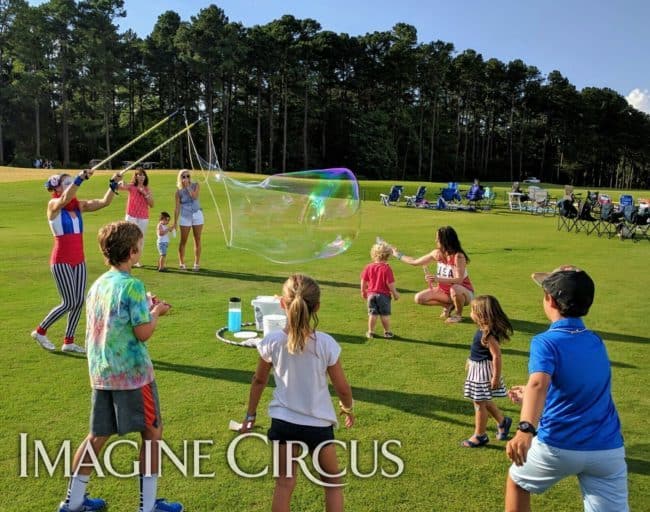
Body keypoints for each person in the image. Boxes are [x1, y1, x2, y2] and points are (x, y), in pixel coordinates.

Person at [57, 221, 182, 512]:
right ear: (132, 251)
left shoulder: (99, 283)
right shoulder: (133, 286)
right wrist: (156, 312)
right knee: (152, 433)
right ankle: (147, 506)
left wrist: (143, 307)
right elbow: (143, 332)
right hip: (133, 376)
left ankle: (73, 501)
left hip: (102, 372)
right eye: (140, 244)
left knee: (97, 434)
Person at [505, 266, 628, 512]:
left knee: (517, 483)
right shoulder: (596, 341)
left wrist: (525, 429)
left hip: (559, 445)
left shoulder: (545, 341)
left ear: (549, 300)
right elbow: (578, 387)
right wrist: (532, 396)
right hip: (608, 450)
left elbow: (538, 383)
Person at [240, 274, 355, 512]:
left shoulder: (272, 341)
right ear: (318, 307)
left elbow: (259, 380)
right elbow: (342, 387)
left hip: (284, 423)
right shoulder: (325, 343)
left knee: (284, 484)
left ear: (282, 303)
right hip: (319, 425)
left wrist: (250, 416)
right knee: (332, 483)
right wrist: (348, 408)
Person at [31, 170, 118, 353]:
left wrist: (113, 185)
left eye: (71, 181)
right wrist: (79, 179)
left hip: (79, 259)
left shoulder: (78, 206)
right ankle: (40, 331)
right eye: (66, 182)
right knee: (69, 302)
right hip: (61, 260)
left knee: (78, 301)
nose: (71, 185)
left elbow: (104, 202)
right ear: (56, 187)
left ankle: (68, 341)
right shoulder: (54, 204)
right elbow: (63, 199)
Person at [392, 226, 474, 323]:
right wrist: (397, 254)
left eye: (438, 238)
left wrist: (438, 279)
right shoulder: (437, 253)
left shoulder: (458, 256)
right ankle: (448, 305)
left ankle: (458, 315)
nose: (435, 240)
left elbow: (459, 280)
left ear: (445, 241)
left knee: (455, 288)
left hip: (464, 292)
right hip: (444, 292)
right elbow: (414, 261)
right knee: (419, 298)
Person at [461, 295, 513, 448]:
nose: (470, 313)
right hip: (477, 368)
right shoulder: (482, 330)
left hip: (484, 371)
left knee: (479, 403)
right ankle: (503, 422)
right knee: (482, 399)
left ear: (482, 314)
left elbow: (496, 356)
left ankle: (480, 435)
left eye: (472, 310)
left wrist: (495, 377)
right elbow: (478, 350)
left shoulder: (488, 335)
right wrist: (470, 360)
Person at [360, 241, 400, 338]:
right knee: (384, 315)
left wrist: (363, 291)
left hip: (371, 295)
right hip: (383, 296)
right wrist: (395, 293)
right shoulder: (386, 269)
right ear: (387, 256)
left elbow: (363, 280)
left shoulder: (368, 267)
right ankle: (387, 332)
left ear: (373, 254)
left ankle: (370, 332)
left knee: (372, 314)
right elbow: (390, 283)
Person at [117, 167, 154, 267]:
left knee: (140, 239)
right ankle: (127, 259)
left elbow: (152, 204)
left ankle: (136, 260)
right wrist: (120, 180)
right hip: (131, 216)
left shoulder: (147, 189)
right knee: (128, 238)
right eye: (139, 175)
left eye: (143, 175)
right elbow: (118, 187)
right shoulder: (131, 186)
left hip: (143, 217)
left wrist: (144, 193)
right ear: (136, 176)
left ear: (145, 177)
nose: (141, 177)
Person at [173, 169, 203, 271]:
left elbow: (194, 197)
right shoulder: (178, 192)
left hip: (197, 214)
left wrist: (188, 187)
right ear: (180, 178)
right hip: (185, 216)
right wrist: (175, 222)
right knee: (183, 241)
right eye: (183, 177)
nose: (186, 178)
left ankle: (197, 263)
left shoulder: (196, 185)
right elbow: (177, 208)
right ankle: (181, 263)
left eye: (188, 176)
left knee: (197, 239)